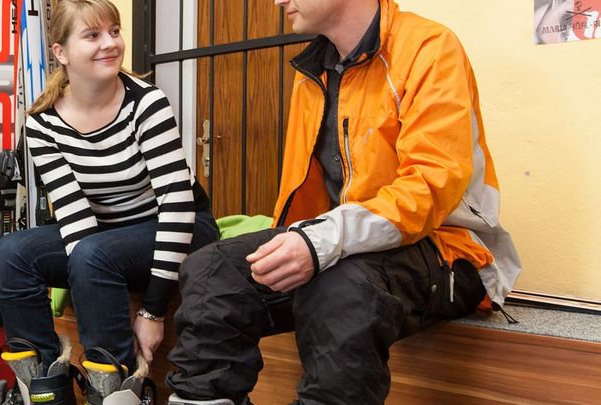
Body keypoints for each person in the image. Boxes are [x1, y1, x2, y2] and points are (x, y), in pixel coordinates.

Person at [165, 0, 521, 404]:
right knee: (211, 269)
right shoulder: (312, 73)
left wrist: (320, 243)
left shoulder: (429, 48)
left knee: (340, 287)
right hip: (345, 243)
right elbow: (308, 201)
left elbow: (429, 188)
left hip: (445, 247)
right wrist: (293, 247)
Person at [0, 0, 218, 403]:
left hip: (181, 227)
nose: (109, 43)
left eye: (114, 31)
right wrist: (97, 291)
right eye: (92, 35)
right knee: (11, 253)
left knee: (95, 255)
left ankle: (116, 390)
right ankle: (43, 387)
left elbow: (178, 206)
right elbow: (75, 218)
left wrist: (151, 313)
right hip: (108, 239)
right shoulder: (43, 124)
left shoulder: (146, 103)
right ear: (60, 52)